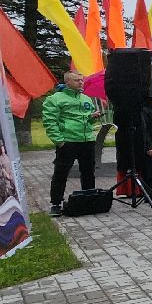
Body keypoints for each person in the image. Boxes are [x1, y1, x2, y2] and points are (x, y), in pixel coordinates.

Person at [43, 70, 98, 215]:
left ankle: (89, 200)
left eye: (82, 80)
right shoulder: (55, 99)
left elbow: (88, 119)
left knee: (88, 172)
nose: (81, 83)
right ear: (67, 82)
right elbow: (49, 121)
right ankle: (56, 203)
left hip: (87, 141)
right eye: (77, 80)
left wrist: (93, 117)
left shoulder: (86, 99)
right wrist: (59, 141)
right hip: (68, 141)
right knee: (61, 173)